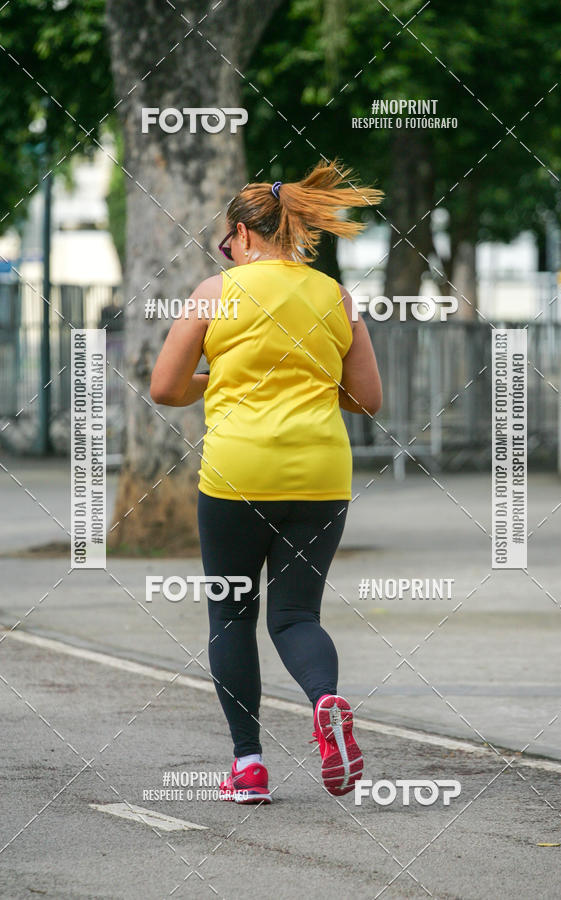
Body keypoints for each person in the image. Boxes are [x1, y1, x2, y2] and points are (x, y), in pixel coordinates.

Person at [150, 159, 383, 804]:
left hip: (236, 474)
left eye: (227, 244)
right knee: (296, 614)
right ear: (293, 231)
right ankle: (327, 702)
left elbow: (165, 388)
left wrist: (223, 380)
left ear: (244, 237)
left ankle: (249, 767)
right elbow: (366, 399)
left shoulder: (213, 294)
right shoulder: (334, 294)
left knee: (230, 617)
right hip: (321, 475)